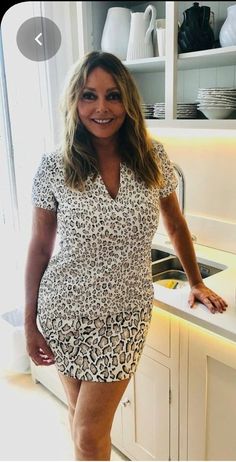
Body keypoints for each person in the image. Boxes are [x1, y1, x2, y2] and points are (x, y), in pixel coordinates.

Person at [24, 51, 227, 461]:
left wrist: (196, 280)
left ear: (128, 102)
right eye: (88, 96)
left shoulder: (153, 159)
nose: (101, 108)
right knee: (83, 427)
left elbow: (175, 223)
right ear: (73, 103)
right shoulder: (54, 166)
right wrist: (29, 322)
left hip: (123, 316)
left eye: (113, 96)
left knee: (86, 432)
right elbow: (40, 247)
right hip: (63, 311)